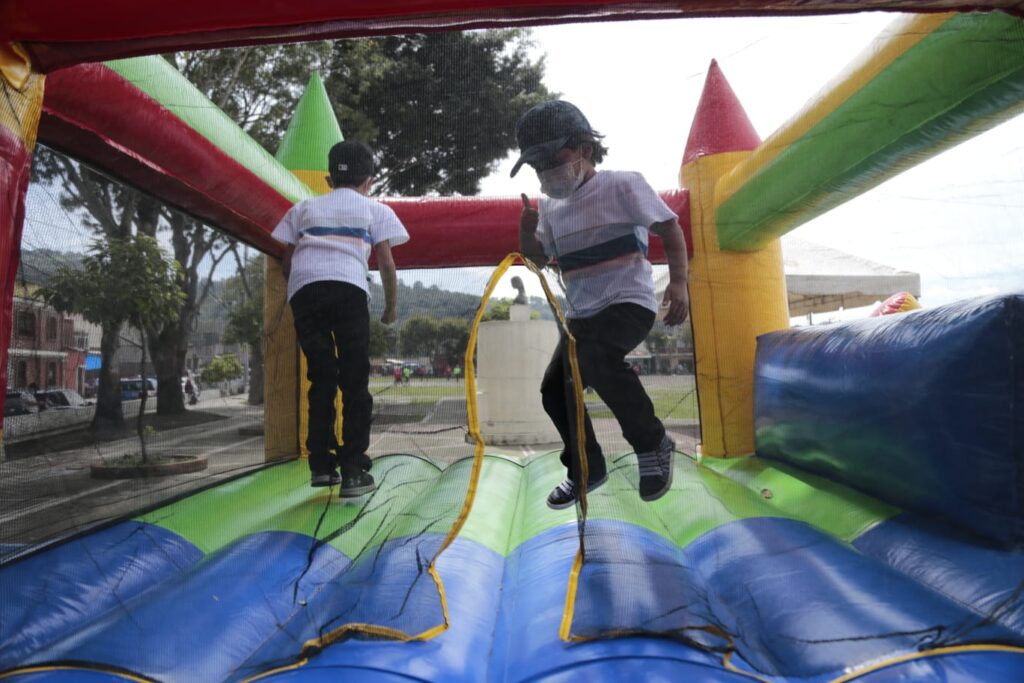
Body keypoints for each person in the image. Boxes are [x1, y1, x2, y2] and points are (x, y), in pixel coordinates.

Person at [512, 100, 690, 510]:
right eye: (538, 167)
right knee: (554, 389)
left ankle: (653, 443)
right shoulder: (550, 207)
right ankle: (585, 468)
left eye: (553, 161)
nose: (547, 174)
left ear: (585, 150)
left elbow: (670, 227)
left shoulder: (622, 185)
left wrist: (679, 282)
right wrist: (526, 234)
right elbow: (538, 260)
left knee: (597, 359)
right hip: (582, 317)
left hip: (628, 302)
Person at [272, 140, 408, 497]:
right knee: (354, 380)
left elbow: (287, 260)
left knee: (322, 377)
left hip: (306, 291)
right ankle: (353, 469)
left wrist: (299, 290)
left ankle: (320, 465)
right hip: (349, 289)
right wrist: (390, 308)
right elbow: (387, 263)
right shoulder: (375, 209)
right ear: (370, 181)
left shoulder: (303, 208)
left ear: (329, 180)